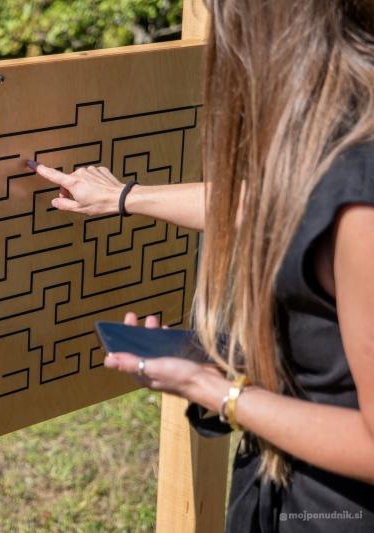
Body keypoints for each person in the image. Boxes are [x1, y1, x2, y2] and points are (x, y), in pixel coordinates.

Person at [29, 1, 374, 531]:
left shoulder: (358, 195)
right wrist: (125, 196)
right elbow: (274, 205)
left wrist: (213, 389)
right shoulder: (346, 144)